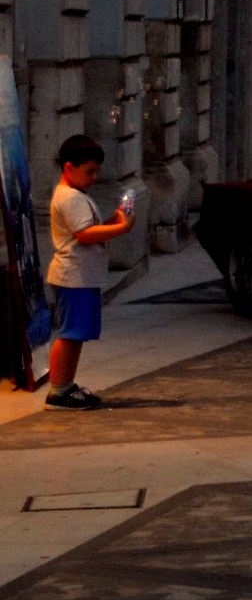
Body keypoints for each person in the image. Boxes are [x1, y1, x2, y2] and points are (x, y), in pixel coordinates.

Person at [44, 136, 134, 411]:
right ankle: (58, 391)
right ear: (69, 167)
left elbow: (89, 230)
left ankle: (65, 385)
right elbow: (84, 235)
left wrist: (110, 223)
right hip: (74, 277)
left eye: (96, 172)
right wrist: (122, 228)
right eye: (89, 172)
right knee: (71, 333)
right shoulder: (70, 197)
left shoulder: (76, 195)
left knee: (77, 333)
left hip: (82, 277)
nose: (94, 178)